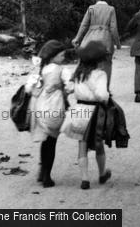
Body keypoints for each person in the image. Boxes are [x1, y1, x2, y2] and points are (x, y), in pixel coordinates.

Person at [60, 41, 111, 189]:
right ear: (98, 61)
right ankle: (101, 174)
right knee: (98, 144)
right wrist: (106, 97)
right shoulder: (100, 74)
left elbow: (69, 89)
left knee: (82, 145)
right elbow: (102, 95)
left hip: (79, 110)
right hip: (95, 113)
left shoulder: (78, 73)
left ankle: (85, 179)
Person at [25, 40, 69, 187]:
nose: (64, 57)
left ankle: (42, 172)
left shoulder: (40, 69)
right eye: (62, 55)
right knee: (52, 142)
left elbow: (29, 88)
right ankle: (47, 177)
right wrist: (61, 88)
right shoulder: (61, 70)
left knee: (45, 142)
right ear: (54, 56)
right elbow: (71, 86)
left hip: (40, 107)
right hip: (55, 107)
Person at [72, 0, 121, 88]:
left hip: (91, 38)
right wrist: (117, 43)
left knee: (89, 63)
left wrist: (77, 38)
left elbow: (84, 25)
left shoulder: (91, 8)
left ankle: (89, 86)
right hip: (105, 40)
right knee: (107, 63)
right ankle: (105, 88)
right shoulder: (111, 9)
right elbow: (113, 28)